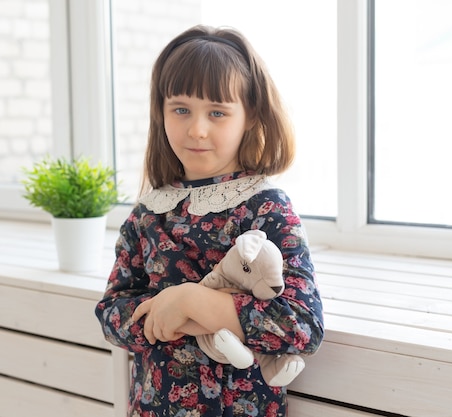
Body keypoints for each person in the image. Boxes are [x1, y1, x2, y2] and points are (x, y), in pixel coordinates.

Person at [95, 24, 324, 417]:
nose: (196, 129)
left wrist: (191, 301)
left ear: (250, 116)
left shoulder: (265, 207)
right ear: (161, 111)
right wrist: (166, 316)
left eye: (217, 113)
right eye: (181, 109)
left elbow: (301, 324)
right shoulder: (148, 213)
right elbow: (111, 312)